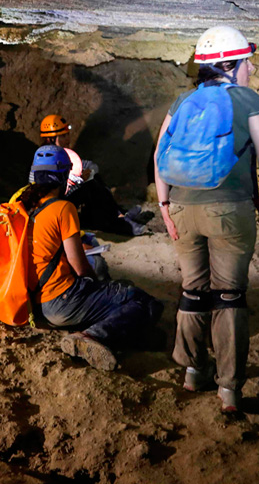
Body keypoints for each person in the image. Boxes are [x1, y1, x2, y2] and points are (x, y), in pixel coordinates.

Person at [154, 25, 259, 413]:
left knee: (193, 290)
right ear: (230, 65)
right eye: (247, 62)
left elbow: (160, 156)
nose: (251, 68)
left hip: (182, 209)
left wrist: (164, 207)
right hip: (229, 208)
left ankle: (193, 372)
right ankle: (229, 390)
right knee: (228, 295)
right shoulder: (247, 100)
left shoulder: (183, 101)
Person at [24, 145, 163, 371]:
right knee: (145, 302)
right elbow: (80, 267)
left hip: (38, 303)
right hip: (64, 301)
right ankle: (90, 336)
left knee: (126, 304)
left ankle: (128, 336)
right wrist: (96, 284)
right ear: (62, 175)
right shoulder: (62, 208)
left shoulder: (27, 207)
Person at [38, 114, 152, 236]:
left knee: (94, 177)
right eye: (63, 136)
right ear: (50, 139)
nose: (68, 139)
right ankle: (116, 222)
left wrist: (89, 172)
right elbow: (53, 190)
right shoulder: (46, 158)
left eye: (67, 134)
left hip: (65, 199)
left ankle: (118, 214)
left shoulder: (62, 154)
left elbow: (87, 164)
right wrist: (79, 179)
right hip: (55, 206)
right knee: (90, 184)